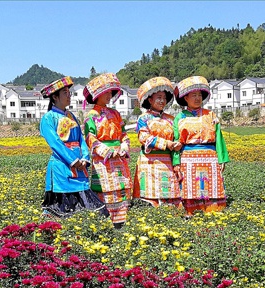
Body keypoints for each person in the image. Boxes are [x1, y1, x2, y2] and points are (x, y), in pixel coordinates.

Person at [39, 76, 109, 219]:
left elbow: (81, 139)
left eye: (69, 92)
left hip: (80, 167)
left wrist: (84, 158)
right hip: (62, 168)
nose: (69, 95)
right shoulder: (48, 118)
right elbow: (56, 143)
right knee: (63, 208)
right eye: (65, 93)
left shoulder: (71, 116)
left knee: (87, 203)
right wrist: (73, 160)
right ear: (54, 97)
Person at [172, 76, 229, 216]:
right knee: (190, 187)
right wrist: (176, 162)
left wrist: (222, 158)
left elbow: (218, 138)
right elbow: (175, 141)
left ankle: (212, 213)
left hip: (210, 156)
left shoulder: (211, 115)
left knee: (211, 187)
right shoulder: (180, 117)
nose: (197, 98)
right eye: (194, 95)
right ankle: (191, 213)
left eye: (199, 95)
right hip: (188, 158)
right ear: (185, 98)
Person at [83, 73, 132, 229]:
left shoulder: (115, 114)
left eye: (111, 92)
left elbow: (123, 134)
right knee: (106, 190)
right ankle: (107, 223)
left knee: (121, 188)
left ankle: (123, 222)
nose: (109, 96)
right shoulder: (91, 116)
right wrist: (106, 150)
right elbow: (90, 137)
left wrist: (124, 146)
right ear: (97, 94)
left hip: (119, 158)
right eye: (106, 92)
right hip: (103, 160)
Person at [133, 77, 182, 207]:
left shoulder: (171, 119)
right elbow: (144, 137)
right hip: (149, 162)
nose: (162, 101)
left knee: (169, 194)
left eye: (164, 98)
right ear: (150, 100)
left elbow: (176, 137)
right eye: (159, 97)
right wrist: (166, 144)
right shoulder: (143, 118)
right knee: (150, 195)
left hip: (167, 161)